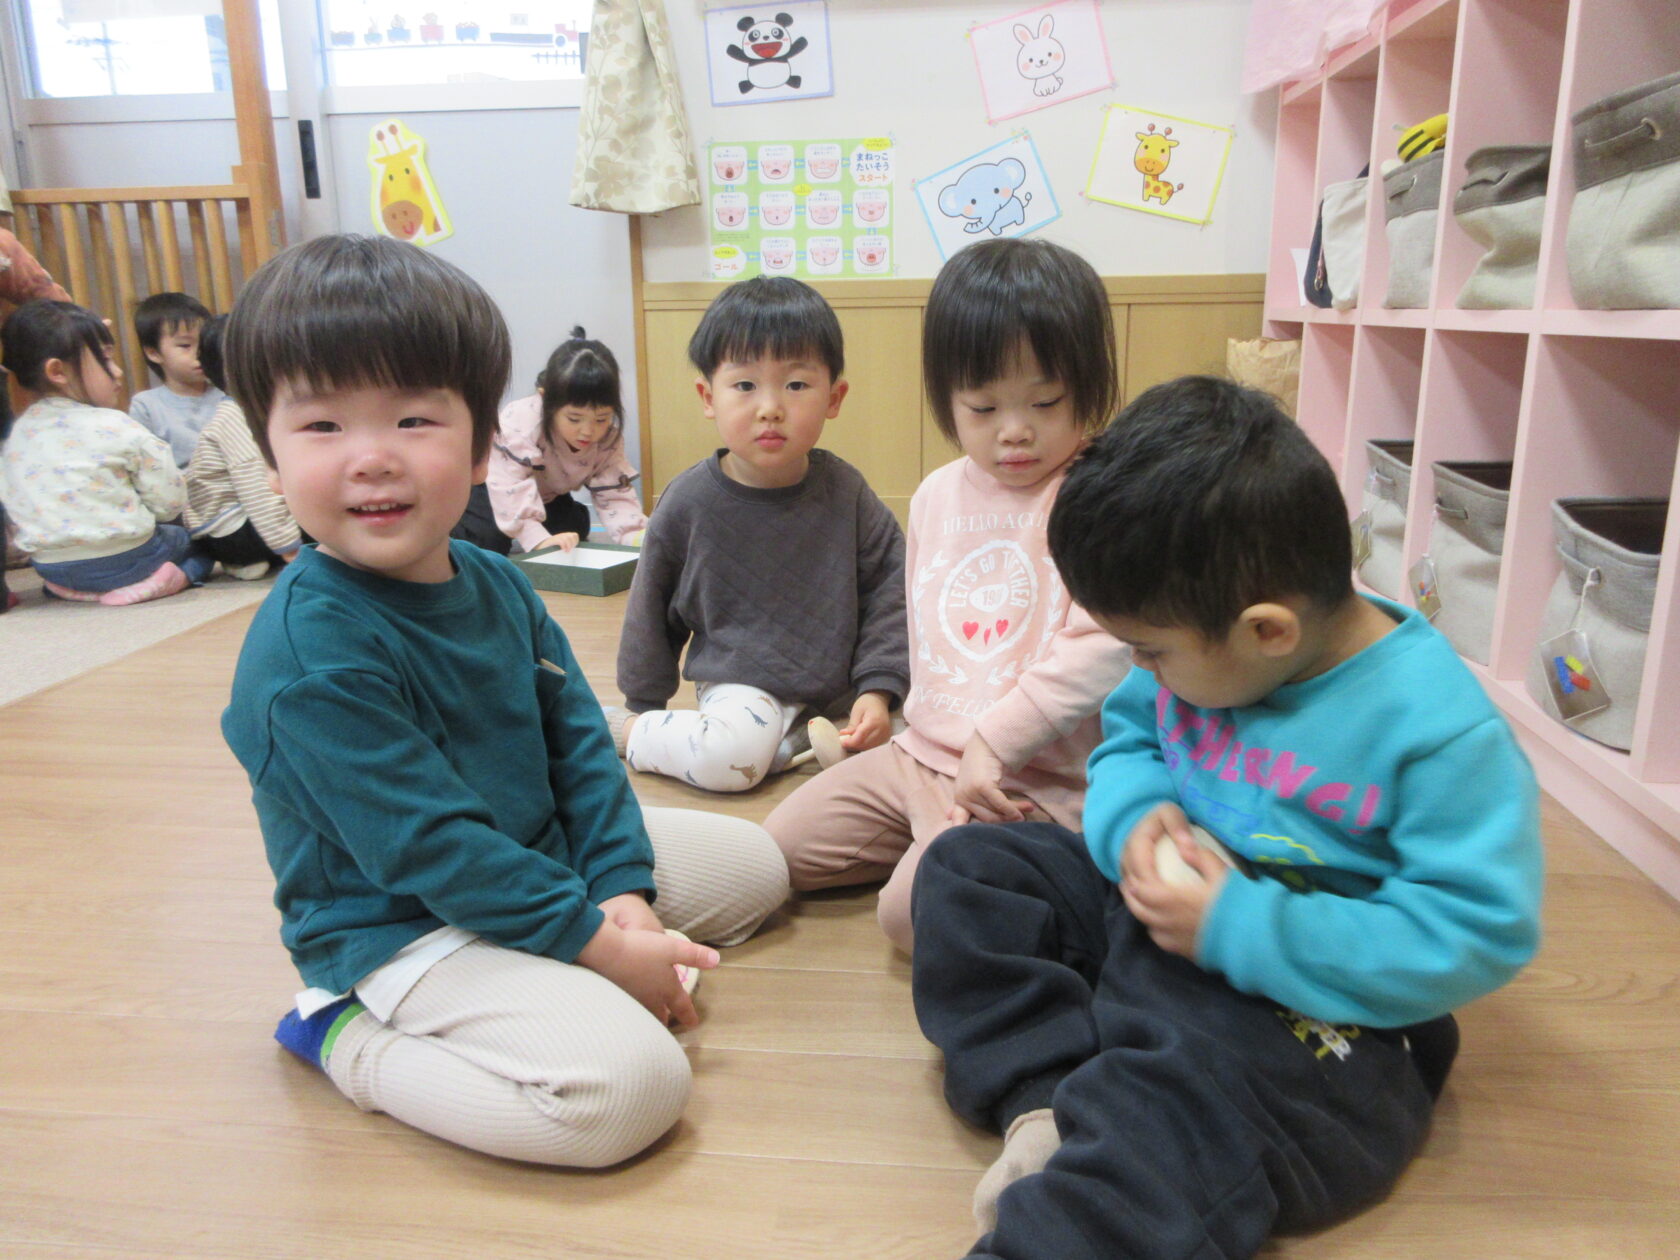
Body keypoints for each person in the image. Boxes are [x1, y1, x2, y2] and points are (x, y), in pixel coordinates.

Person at [910, 376, 1545, 1259]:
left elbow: (1478, 931)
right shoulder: (1208, 650)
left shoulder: (1437, 733)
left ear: (1267, 631)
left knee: (1173, 1116)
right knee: (970, 868)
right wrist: (1137, 816)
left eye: (1150, 652)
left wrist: (1239, 924)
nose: (1141, 669)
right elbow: (1131, 741)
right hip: (1163, 927)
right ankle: (1047, 1105)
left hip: (1314, 1013)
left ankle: (1105, 1147)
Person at [219, 234, 789, 1167]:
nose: (372, 458)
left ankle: (559, 941)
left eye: (413, 419)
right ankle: (340, 1034)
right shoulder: (309, 658)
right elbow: (431, 848)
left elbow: (578, 744)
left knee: (757, 867)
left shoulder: (495, 580)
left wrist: (619, 889)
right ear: (270, 458)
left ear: (484, 442)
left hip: (530, 861)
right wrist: (597, 945)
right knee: (632, 1090)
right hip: (404, 928)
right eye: (322, 426)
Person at [765, 238, 1133, 950]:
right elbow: (924, 623)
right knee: (778, 851)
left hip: (1029, 781)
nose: (1014, 430)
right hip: (921, 751)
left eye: (1045, 401)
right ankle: (931, 848)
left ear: (1089, 385)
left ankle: (1015, 870)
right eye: (983, 406)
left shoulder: (1103, 496)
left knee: (909, 917)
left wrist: (994, 743)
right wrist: (887, 702)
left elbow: (1105, 649)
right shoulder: (936, 494)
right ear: (947, 399)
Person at [610, 276, 909, 793]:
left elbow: (892, 591)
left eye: (796, 385)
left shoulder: (848, 492)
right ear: (708, 396)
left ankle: (791, 745)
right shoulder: (687, 502)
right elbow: (650, 612)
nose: (770, 407)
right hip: (741, 688)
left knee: (926, 734)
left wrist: (878, 690)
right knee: (731, 756)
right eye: (745, 385)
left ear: (834, 397)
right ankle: (623, 730)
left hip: (839, 689)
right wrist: (643, 706)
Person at [0, 299, 213, 605]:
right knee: (201, 541)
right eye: (105, 360)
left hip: (49, 566)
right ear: (58, 371)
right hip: (128, 558)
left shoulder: (16, 437)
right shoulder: (115, 424)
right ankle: (173, 579)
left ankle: (72, 589)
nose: (118, 371)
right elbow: (169, 504)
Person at [457, 325, 648, 556]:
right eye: (574, 419)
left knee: (573, 531)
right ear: (547, 401)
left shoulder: (608, 438)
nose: (588, 431)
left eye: (601, 419)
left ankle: (551, 518)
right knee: (488, 543)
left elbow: (614, 493)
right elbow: (510, 485)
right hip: (490, 488)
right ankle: (455, 518)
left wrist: (637, 535)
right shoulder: (520, 423)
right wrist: (537, 540)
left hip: (543, 496)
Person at [182, 313, 301, 579]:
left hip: (236, 526)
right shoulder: (237, 419)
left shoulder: (255, 411)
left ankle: (253, 558)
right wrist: (292, 551)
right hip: (227, 531)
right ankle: (249, 556)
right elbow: (256, 486)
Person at [128, 290, 226, 468]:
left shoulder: (226, 396)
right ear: (154, 353)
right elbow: (145, 465)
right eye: (185, 345)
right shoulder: (146, 406)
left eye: (203, 342)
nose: (199, 353)